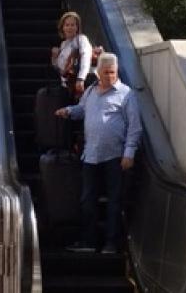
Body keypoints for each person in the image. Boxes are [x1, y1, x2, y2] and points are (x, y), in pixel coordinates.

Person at [55, 52, 142, 254]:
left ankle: (111, 243)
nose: (110, 76)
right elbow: (82, 110)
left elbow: (135, 127)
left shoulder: (126, 94)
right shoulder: (91, 91)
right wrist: (68, 111)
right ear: (98, 73)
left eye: (113, 72)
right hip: (91, 154)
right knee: (87, 199)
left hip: (115, 156)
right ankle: (88, 241)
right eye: (106, 72)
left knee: (114, 200)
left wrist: (129, 153)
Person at [51, 12, 94, 99]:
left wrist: (81, 78)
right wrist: (54, 58)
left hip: (80, 84)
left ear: (77, 27)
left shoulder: (81, 39)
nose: (69, 28)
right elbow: (60, 69)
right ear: (62, 27)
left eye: (73, 25)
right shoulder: (63, 45)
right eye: (67, 25)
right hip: (67, 86)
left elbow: (86, 57)